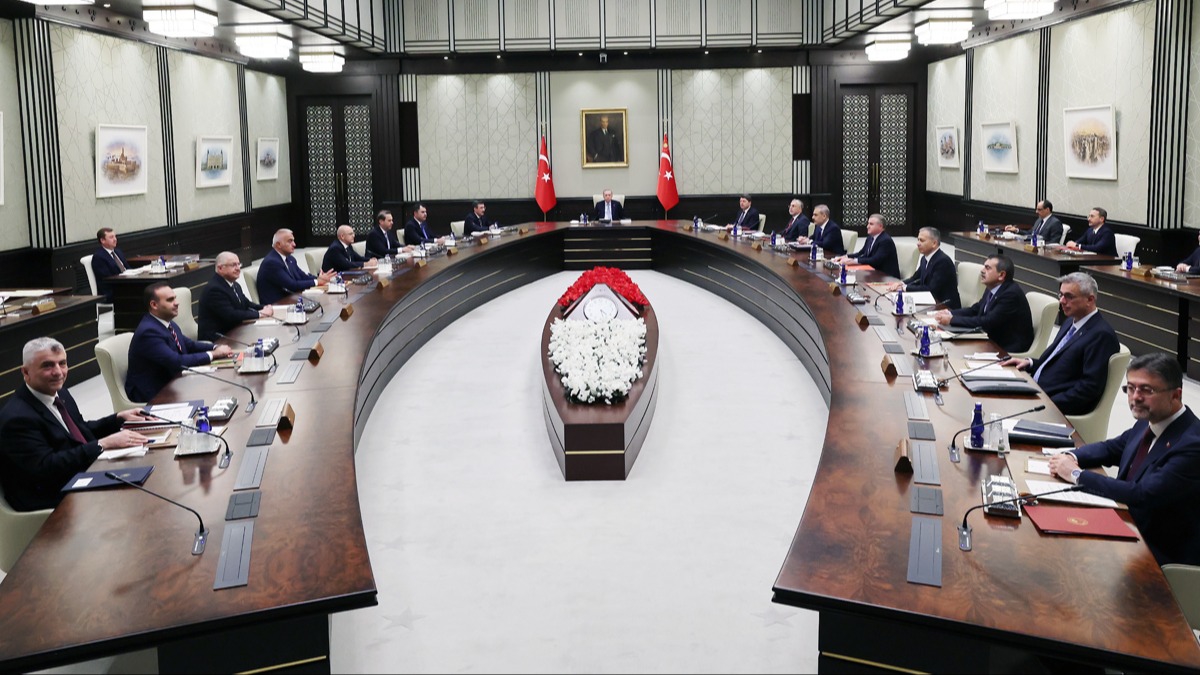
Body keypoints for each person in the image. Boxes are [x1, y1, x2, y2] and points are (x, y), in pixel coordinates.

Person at [1048, 353, 1200, 566]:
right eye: (1130, 388)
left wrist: (1075, 474)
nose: (1135, 397)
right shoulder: (1149, 419)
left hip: (1158, 551)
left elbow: (1142, 494)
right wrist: (1070, 456)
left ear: (1175, 395)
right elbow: (1111, 448)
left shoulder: (1192, 444)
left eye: (1146, 390)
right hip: (1125, 522)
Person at [0, 338, 150, 511]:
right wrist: (101, 444)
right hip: (51, 495)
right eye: (47, 366)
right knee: (134, 498)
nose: (58, 372)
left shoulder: (60, 393)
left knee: (145, 471)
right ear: (26, 372)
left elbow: (78, 430)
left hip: (74, 474)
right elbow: (45, 467)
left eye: (62, 363)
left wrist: (117, 419)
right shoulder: (17, 418)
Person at [1001, 272, 1119, 415]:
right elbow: (1059, 364)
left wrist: (1046, 403)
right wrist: (1030, 363)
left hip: (1052, 405)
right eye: (1061, 295)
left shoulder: (1101, 335)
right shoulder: (1070, 322)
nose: (1062, 301)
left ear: (1090, 299)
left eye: (1069, 296)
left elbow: (1088, 389)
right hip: (1035, 389)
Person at [126, 282, 234, 403]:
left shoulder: (167, 323)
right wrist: (213, 354)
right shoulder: (148, 332)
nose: (176, 303)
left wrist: (216, 347)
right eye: (170, 300)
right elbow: (177, 362)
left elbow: (189, 345)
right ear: (154, 305)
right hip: (154, 392)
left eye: (175, 298)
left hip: (173, 381)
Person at [932, 254, 1033, 354]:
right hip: (990, 338)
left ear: (1001, 275)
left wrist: (952, 320)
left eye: (988, 268)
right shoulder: (993, 287)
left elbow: (987, 322)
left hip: (1006, 348)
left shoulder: (1011, 294)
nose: (982, 271)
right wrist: (950, 313)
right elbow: (976, 309)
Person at [197, 251, 273, 341]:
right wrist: (260, 314)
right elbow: (231, 315)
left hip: (234, 330)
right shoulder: (214, 289)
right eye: (233, 265)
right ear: (220, 268)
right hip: (218, 338)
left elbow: (246, 304)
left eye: (238, 264)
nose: (238, 268)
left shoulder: (235, 284)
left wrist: (264, 307)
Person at [256, 228, 336, 305]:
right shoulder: (272, 263)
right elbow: (292, 285)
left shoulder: (290, 259)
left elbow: (302, 276)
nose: (294, 244)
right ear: (278, 245)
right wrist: (317, 282)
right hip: (277, 305)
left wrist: (320, 279)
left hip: (292, 299)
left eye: (293, 241)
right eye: (290, 241)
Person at [887, 227, 960, 309]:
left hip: (945, 306)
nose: (918, 243)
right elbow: (915, 278)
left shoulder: (943, 261)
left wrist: (905, 288)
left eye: (922, 240)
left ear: (934, 243)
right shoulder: (925, 258)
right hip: (930, 302)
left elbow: (931, 289)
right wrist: (901, 283)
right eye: (918, 240)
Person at [833, 213, 900, 279]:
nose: (867, 226)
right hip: (872, 272)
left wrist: (854, 261)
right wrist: (845, 256)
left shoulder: (885, 241)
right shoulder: (870, 238)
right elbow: (861, 253)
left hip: (886, 277)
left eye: (871, 224)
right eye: (868, 224)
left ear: (880, 226)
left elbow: (875, 260)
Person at [90, 227, 130, 302]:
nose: (115, 239)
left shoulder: (118, 252)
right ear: (102, 240)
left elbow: (127, 268)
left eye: (115, 236)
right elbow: (107, 279)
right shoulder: (99, 257)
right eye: (111, 237)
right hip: (113, 292)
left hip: (126, 285)